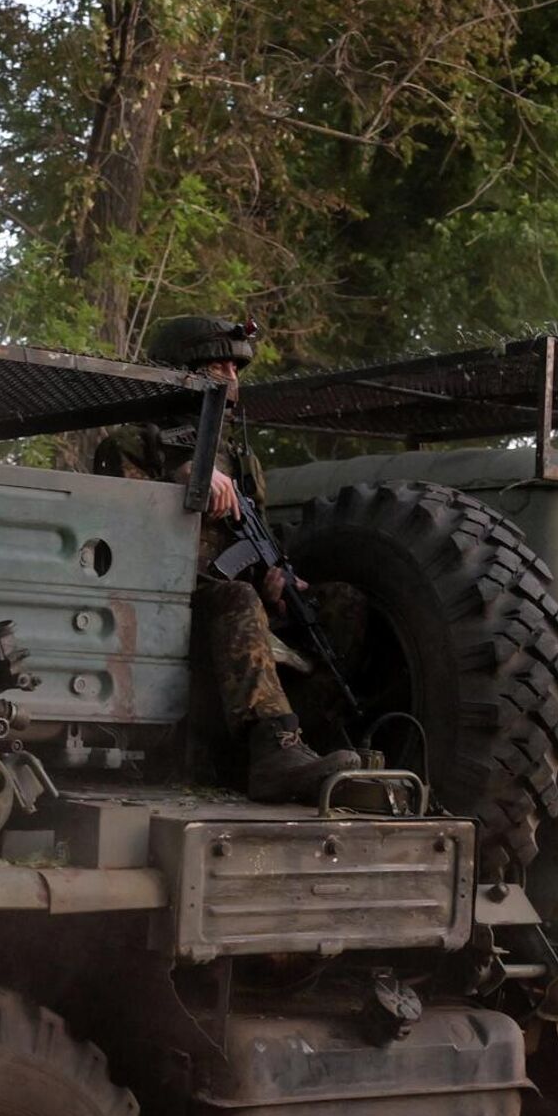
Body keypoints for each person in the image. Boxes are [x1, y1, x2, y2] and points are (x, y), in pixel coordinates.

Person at [98, 314, 361, 804]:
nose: (232, 379)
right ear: (181, 372)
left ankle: (315, 745)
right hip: (163, 606)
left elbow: (254, 538)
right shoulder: (131, 445)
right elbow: (122, 536)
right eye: (219, 367)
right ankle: (275, 753)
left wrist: (277, 577)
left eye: (236, 369)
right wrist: (186, 479)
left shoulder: (241, 460)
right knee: (237, 596)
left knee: (339, 604)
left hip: (232, 601)